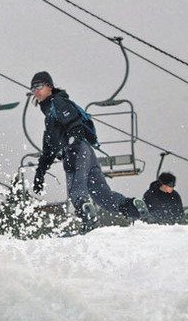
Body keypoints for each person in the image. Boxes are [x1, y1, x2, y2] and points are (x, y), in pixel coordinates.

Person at [30, 71, 147, 231]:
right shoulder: (50, 114)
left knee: (76, 191)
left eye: (39, 86)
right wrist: (40, 173)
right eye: (33, 88)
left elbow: (74, 123)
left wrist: (72, 143)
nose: (36, 91)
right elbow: (49, 149)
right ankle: (132, 206)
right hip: (87, 153)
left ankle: (89, 222)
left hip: (75, 151)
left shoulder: (58, 103)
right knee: (101, 195)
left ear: (49, 87)